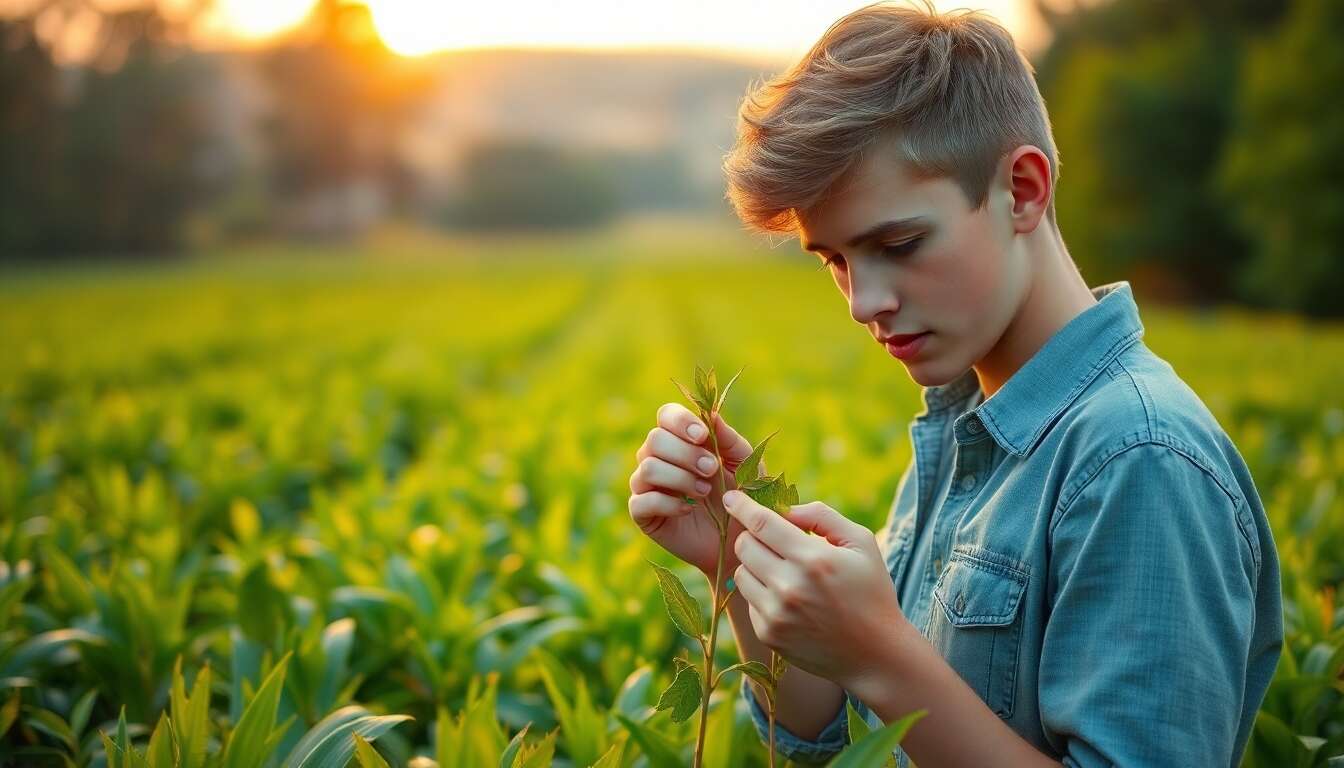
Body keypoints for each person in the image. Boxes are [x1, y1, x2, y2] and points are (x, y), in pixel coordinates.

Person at [626, 1, 1283, 765]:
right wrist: (738, 566)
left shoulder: (1138, 459)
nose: (863, 302)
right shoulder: (970, 423)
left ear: (1024, 191)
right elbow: (837, 741)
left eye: (898, 243)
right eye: (834, 260)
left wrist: (881, 654)